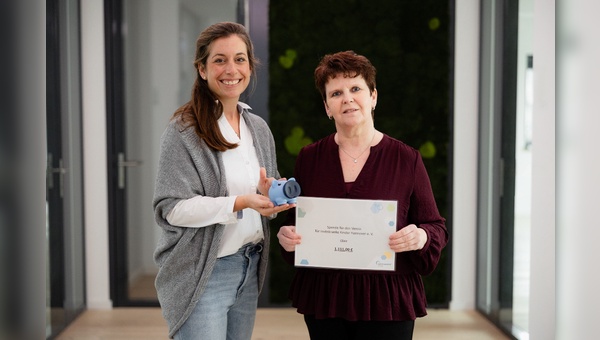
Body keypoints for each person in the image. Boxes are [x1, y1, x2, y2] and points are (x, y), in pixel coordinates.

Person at [276, 50, 448, 340]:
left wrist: (421, 236)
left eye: (356, 88)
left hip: (388, 299)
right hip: (325, 296)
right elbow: (298, 224)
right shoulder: (309, 158)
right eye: (336, 93)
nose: (347, 99)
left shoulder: (407, 159)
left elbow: (435, 226)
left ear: (373, 97)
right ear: (327, 107)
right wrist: (287, 237)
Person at [153, 22, 294, 340]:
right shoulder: (184, 131)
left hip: (250, 264)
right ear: (202, 69)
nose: (231, 69)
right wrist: (241, 202)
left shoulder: (257, 128)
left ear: (250, 65)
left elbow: (261, 190)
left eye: (240, 59)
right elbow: (171, 209)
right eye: (219, 60)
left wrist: (269, 197)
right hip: (205, 274)